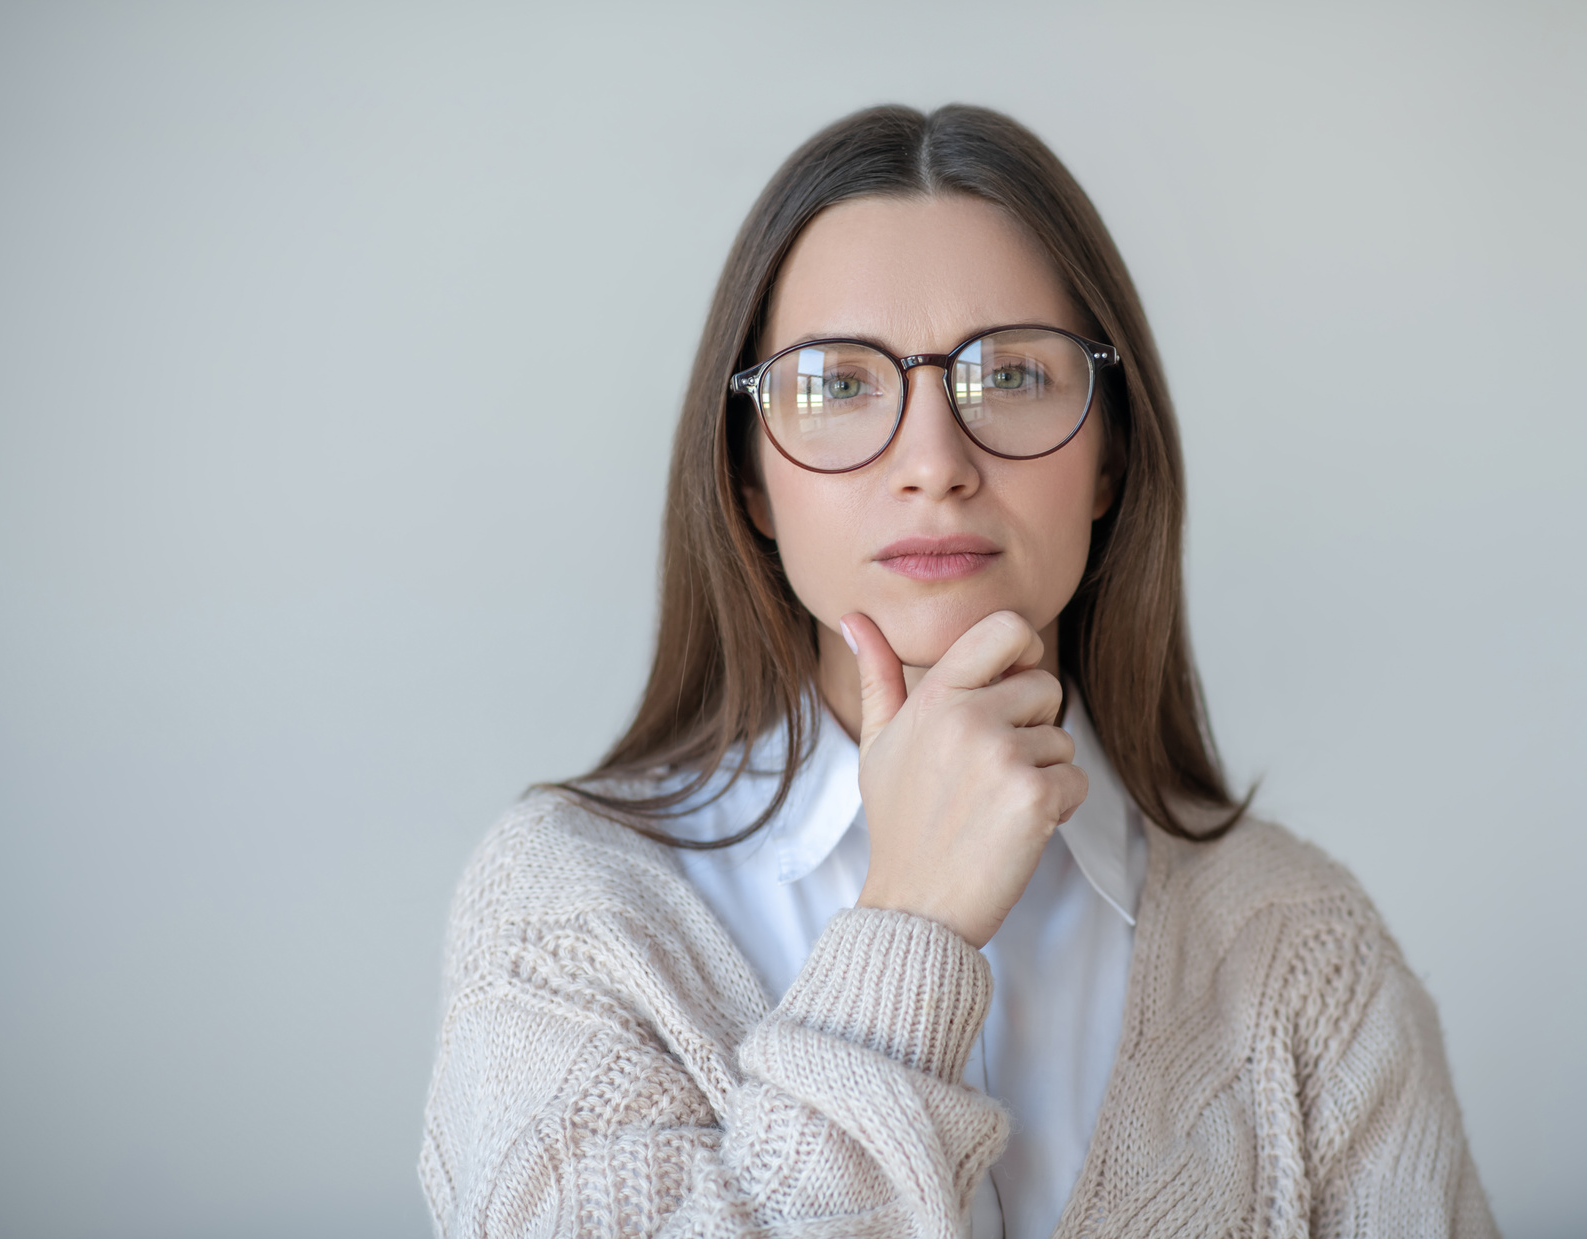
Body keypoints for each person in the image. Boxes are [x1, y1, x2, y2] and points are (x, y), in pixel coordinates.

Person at [419, 104, 1497, 1239]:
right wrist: (911, 927)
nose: (935, 463)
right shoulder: (568, 915)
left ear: (1108, 459)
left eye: (1013, 377)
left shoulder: (1302, 949)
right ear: (748, 483)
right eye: (837, 385)